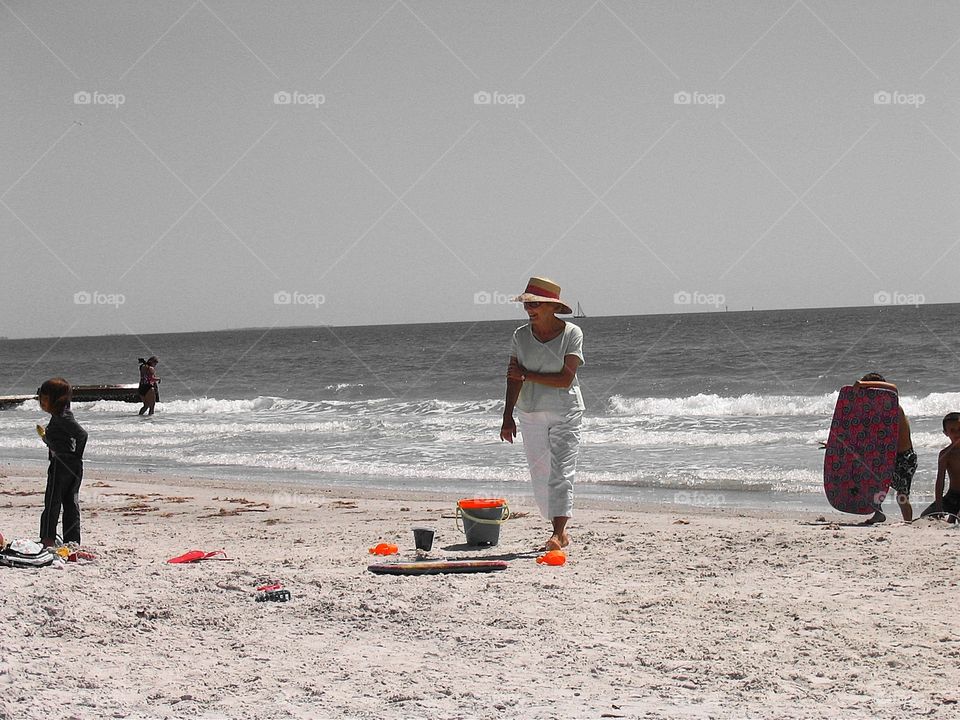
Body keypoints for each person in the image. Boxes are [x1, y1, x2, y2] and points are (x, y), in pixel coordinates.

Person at [499, 277, 584, 551]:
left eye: (535, 304)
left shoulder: (572, 333)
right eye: (527, 305)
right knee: (540, 475)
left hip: (566, 411)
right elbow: (513, 377)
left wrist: (528, 375)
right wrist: (507, 416)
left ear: (552, 307)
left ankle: (559, 533)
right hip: (530, 412)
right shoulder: (520, 336)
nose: (530, 309)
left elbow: (565, 379)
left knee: (561, 471)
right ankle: (557, 529)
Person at [853, 373, 916, 524]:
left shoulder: (893, 405)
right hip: (888, 456)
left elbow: (893, 388)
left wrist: (861, 384)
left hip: (904, 458)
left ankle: (908, 522)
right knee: (872, 482)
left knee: (902, 496)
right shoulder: (876, 411)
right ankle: (878, 514)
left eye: (869, 390)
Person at [36, 378, 88, 548]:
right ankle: (72, 541)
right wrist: (46, 438)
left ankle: (47, 538)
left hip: (62, 464)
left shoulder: (61, 416)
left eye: (43, 397)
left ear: (54, 399)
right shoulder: (62, 415)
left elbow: (82, 435)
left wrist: (75, 456)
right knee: (70, 502)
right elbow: (63, 440)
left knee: (52, 502)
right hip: (71, 465)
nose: (40, 401)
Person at [932, 412, 960, 522]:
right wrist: (939, 506)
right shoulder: (945, 454)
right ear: (946, 433)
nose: (957, 433)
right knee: (927, 516)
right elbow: (940, 481)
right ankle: (952, 515)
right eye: (952, 431)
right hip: (953, 495)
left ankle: (954, 515)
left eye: (959, 429)